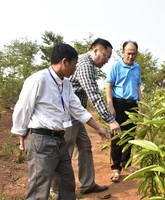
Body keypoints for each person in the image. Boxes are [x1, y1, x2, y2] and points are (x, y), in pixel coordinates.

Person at [11, 43, 109, 200]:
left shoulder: (66, 84)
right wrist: (20, 133)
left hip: (59, 139)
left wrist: (98, 127)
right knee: (39, 187)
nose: (75, 69)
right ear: (65, 62)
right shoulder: (38, 80)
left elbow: (77, 109)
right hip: (40, 139)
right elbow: (23, 108)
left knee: (66, 183)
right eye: (74, 64)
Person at [51, 38, 121, 196]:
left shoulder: (87, 65)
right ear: (95, 51)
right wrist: (110, 120)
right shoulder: (84, 65)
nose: (106, 61)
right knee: (65, 151)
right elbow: (94, 94)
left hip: (77, 115)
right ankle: (57, 191)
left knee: (85, 146)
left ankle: (87, 184)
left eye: (109, 58)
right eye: (105, 56)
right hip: (67, 115)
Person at [106, 40, 143, 183]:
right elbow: (109, 86)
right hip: (118, 103)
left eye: (134, 54)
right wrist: (111, 105)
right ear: (123, 52)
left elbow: (138, 88)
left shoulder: (137, 68)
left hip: (133, 105)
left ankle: (126, 163)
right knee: (117, 136)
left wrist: (142, 104)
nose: (131, 56)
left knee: (130, 136)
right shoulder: (116, 66)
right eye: (128, 53)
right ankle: (116, 168)